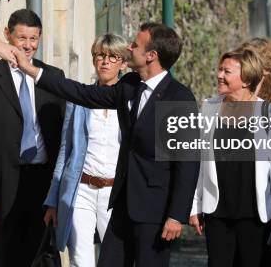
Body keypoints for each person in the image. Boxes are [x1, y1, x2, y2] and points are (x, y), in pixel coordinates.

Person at [15, 22, 200, 267]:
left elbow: (187, 162)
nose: (130, 47)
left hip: (154, 210)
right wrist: (32, 70)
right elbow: (82, 94)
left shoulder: (178, 97)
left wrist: (177, 215)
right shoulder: (131, 85)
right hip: (122, 206)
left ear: (152, 56)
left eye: (136, 44)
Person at [0, 9, 65, 267]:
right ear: (7, 35)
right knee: (7, 255)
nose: (28, 45)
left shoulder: (53, 78)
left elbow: (64, 134)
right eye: (22, 38)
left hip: (43, 181)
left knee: (43, 256)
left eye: (34, 39)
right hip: (3, 184)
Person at [189, 48, 271, 267]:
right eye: (219, 69)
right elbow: (198, 161)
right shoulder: (208, 108)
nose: (219, 75)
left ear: (247, 79)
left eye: (227, 71)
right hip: (216, 211)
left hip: (254, 213)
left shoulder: (269, 112)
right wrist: (195, 206)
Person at [43, 34, 129, 267]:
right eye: (100, 55)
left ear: (123, 64)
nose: (105, 62)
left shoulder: (130, 101)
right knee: (80, 260)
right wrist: (53, 200)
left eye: (113, 57)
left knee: (116, 259)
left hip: (115, 194)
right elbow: (66, 150)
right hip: (81, 190)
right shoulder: (79, 99)